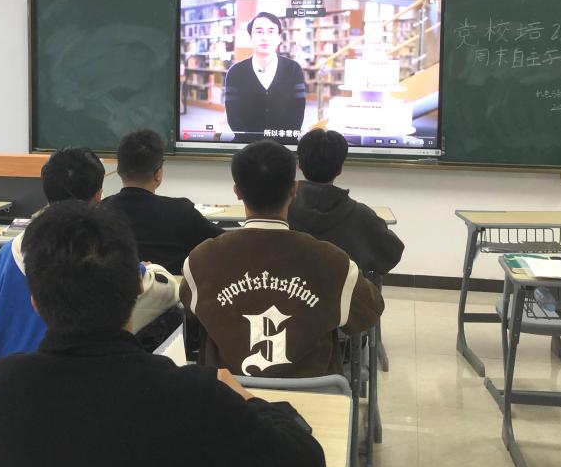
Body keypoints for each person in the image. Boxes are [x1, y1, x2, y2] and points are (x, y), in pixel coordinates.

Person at [0, 201, 326, 467]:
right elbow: (306, 465)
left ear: (35, 302)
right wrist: (246, 398)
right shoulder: (192, 397)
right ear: (140, 287)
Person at [181, 140, 384, 378]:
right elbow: (369, 312)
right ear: (294, 189)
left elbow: (190, 313)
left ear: (237, 191)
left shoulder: (201, 260)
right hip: (314, 397)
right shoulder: (333, 262)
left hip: (228, 395)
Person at [0, 146, 177, 358]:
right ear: (98, 195)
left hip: (5, 373)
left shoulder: (6, 255)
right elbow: (168, 291)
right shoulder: (105, 254)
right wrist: (148, 269)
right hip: (78, 374)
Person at [103, 129, 223, 274]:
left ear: (118, 169)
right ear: (158, 174)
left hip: (119, 288)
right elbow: (226, 242)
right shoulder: (182, 212)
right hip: (172, 288)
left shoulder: (101, 211)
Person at [289, 129, 405, 275]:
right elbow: (391, 254)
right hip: (345, 289)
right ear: (340, 169)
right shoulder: (362, 216)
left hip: (290, 288)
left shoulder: (280, 211)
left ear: (299, 165)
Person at [224, 12, 307, 144]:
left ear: (279, 38)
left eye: (271, 31)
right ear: (250, 38)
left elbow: (298, 112)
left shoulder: (293, 69)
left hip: (284, 146)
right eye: (259, 31)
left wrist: (280, 145)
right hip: (246, 146)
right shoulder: (235, 72)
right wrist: (254, 146)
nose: (265, 37)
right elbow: (233, 116)